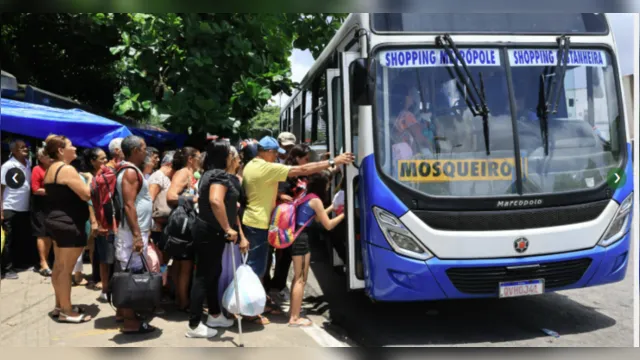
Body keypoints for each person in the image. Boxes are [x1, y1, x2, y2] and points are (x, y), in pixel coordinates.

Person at [241, 136, 354, 324]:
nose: (277, 157)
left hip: (256, 221)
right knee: (256, 269)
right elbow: (301, 170)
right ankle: (250, 312)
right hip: (258, 223)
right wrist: (335, 160)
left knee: (259, 267)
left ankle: (258, 304)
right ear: (267, 152)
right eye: (276, 154)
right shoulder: (265, 167)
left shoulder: (251, 165)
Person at [186, 140, 249, 338]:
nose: (233, 156)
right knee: (204, 277)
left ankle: (214, 314)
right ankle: (194, 325)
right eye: (230, 154)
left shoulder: (210, 174)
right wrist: (227, 228)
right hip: (210, 231)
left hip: (209, 231)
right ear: (223, 156)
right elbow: (215, 200)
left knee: (213, 273)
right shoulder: (219, 175)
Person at [43, 135, 92, 323]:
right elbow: (86, 194)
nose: (75, 148)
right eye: (71, 145)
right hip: (68, 223)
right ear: (61, 150)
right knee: (65, 270)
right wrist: (89, 179)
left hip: (56, 221)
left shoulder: (52, 169)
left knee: (59, 266)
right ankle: (66, 311)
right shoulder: (67, 169)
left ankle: (60, 305)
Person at [288, 172, 344, 327]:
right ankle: (294, 318)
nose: (328, 187)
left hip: (296, 236)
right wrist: (345, 214)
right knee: (301, 279)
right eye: (327, 184)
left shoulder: (306, 195)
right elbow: (328, 225)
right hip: (302, 239)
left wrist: (333, 207)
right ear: (322, 185)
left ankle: (294, 311)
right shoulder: (316, 200)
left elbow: (317, 218)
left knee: (297, 278)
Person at [114, 135, 156, 334]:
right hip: (132, 231)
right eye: (144, 148)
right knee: (131, 273)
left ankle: (124, 312)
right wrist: (138, 235)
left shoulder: (130, 170)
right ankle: (130, 321)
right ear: (136, 150)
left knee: (128, 270)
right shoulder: (130, 172)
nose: (146, 152)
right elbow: (129, 205)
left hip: (133, 230)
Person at [265, 144, 312, 305]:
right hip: (283, 220)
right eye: (306, 159)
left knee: (286, 255)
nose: (308, 161)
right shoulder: (287, 173)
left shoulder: (303, 174)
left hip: (295, 219)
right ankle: (274, 287)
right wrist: (283, 196)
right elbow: (276, 190)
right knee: (281, 253)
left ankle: (278, 285)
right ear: (297, 158)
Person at [166, 147, 201, 312]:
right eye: (198, 157)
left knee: (182, 265)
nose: (201, 160)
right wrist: (194, 199)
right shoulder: (183, 173)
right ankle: (184, 302)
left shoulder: (191, 173)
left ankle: (178, 298)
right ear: (190, 159)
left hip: (187, 222)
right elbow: (171, 196)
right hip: (183, 224)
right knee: (185, 265)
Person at [1, 139, 34, 280]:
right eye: (21, 147)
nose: (25, 149)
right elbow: (1, 188)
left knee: (21, 238)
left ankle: (19, 264)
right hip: (9, 206)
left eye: (25, 147)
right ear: (13, 150)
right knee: (8, 239)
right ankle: (6, 269)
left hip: (24, 208)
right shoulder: (8, 166)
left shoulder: (28, 164)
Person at [83, 147, 112, 301]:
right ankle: (98, 279)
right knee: (97, 252)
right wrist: (94, 221)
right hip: (95, 219)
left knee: (99, 251)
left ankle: (100, 279)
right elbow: (89, 201)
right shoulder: (89, 177)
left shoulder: (107, 173)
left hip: (104, 220)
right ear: (92, 161)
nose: (105, 161)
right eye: (102, 158)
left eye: (106, 157)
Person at [31, 147, 54, 277]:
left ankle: (48, 260)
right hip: (40, 204)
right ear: (40, 158)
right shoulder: (37, 169)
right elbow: (35, 189)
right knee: (42, 233)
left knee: (50, 234)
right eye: (46, 155)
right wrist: (52, 192)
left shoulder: (53, 168)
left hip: (52, 205)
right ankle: (43, 263)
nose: (49, 157)